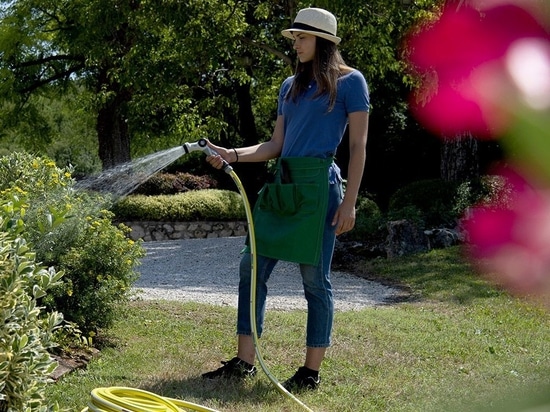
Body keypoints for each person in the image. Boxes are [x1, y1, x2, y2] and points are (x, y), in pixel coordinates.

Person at [202, 7, 370, 392]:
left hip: (319, 189)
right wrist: (232, 153)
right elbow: (276, 145)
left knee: (315, 279)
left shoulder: (350, 83)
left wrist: (350, 202)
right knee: (252, 265)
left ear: (324, 42)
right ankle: (245, 362)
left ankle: (310, 372)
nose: (296, 45)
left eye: (302, 38)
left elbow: (359, 147)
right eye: (294, 38)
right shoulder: (289, 86)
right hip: (283, 186)